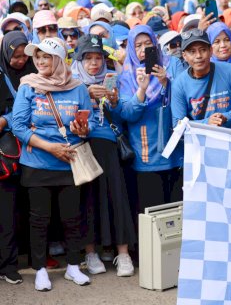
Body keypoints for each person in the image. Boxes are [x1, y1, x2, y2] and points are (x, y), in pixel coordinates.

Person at [12, 38, 95, 291]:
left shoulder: (78, 87)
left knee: (72, 217)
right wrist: (50, 148)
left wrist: (82, 130)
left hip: (69, 162)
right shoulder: (28, 85)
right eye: (37, 57)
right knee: (39, 219)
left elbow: (88, 126)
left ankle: (72, 266)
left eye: (45, 56)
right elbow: (18, 126)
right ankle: (40, 270)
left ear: (58, 59)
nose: (39, 61)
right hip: (37, 162)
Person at [71, 34, 136, 278]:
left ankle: (124, 253)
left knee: (117, 198)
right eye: (88, 58)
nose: (94, 63)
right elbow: (69, 116)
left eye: (98, 58)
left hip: (109, 146)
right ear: (80, 61)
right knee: (87, 199)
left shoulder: (115, 80)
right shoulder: (72, 83)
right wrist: (86, 95)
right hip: (84, 146)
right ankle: (90, 252)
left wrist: (115, 101)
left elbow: (124, 118)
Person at [119, 25, 185, 213]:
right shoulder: (127, 75)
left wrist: (166, 81)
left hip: (175, 148)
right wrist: (141, 89)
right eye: (138, 45)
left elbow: (185, 100)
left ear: (156, 44)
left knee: (177, 211)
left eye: (148, 44)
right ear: (130, 48)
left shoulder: (172, 64)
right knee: (152, 213)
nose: (143, 50)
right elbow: (128, 114)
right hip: (146, 151)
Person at [0, 31, 37, 285]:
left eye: (24, 54)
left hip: (20, 152)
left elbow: (35, 106)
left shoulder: (35, 74)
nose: (20, 60)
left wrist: (6, 120)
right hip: (6, 150)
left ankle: (10, 264)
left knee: (11, 211)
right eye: (15, 55)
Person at [171, 29, 231, 129]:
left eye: (203, 50)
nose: (198, 56)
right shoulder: (179, 84)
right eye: (192, 52)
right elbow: (177, 124)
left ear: (210, 51)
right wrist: (206, 123)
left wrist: (226, 117)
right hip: (199, 142)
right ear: (185, 56)